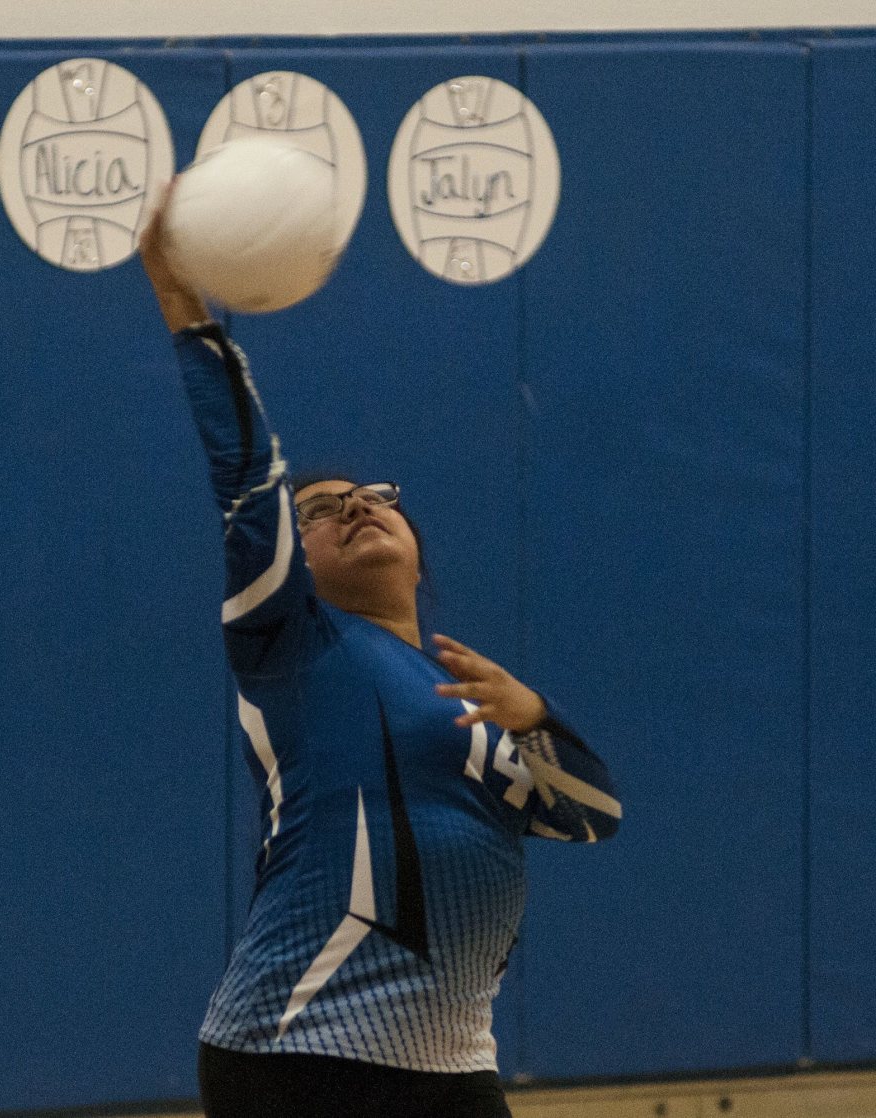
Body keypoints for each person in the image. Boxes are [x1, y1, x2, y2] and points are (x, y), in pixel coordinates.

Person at [139, 188, 622, 1118]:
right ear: (294, 561)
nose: (355, 504)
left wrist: (539, 719)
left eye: (372, 494)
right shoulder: (298, 649)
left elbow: (594, 815)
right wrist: (183, 308)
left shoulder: (474, 698)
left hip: (452, 1064)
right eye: (322, 510)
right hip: (300, 1051)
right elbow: (249, 482)